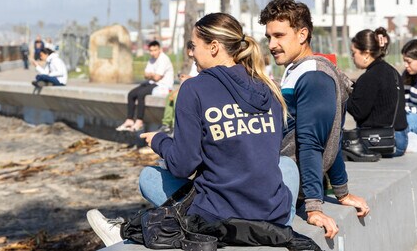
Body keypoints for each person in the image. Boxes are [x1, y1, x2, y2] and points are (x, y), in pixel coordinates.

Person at [88, 13, 297, 247]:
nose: (190, 53)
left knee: (149, 176)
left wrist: (159, 141)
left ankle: (130, 231)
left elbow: (183, 165)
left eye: (193, 46)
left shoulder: (194, 89)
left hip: (221, 220)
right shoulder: (267, 87)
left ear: (214, 47)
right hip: (274, 215)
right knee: (286, 165)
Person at [259, 0, 370, 239]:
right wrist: (341, 192)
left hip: (286, 183)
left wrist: (313, 207)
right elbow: (332, 135)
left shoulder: (314, 77)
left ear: (302, 34)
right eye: (269, 37)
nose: (272, 44)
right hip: (280, 176)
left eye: (279, 35)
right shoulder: (296, 70)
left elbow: (313, 141)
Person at [346, 28, 408, 158]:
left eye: (354, 53)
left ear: (366, 53)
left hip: (380, 141)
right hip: (400, 139)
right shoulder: (392, 72)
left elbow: (358, 112)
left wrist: (344, 94)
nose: (352, 57)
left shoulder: (370, 77)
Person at [117, 40, 174, 133]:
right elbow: (146, 75)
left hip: (163, 85)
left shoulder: (164, 59)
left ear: (160, 49)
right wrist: (152, 75)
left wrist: (151, 75)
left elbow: (157, 77)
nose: (153, 53)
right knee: (131, 94)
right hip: (152, 83)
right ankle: (129, 120)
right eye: (151, 51)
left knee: (141, 94)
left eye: (155, 50)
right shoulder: (151, 59)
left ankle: (139, 121)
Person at [158, 41, 198, 134]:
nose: (190, 56)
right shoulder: (194, 62)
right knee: (170, 96)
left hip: (195, 87)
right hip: (189, 85)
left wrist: (187, 77)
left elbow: (201, 77)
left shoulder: (202, 61)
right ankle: (166, 124)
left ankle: (176, 126)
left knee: (178, 98)